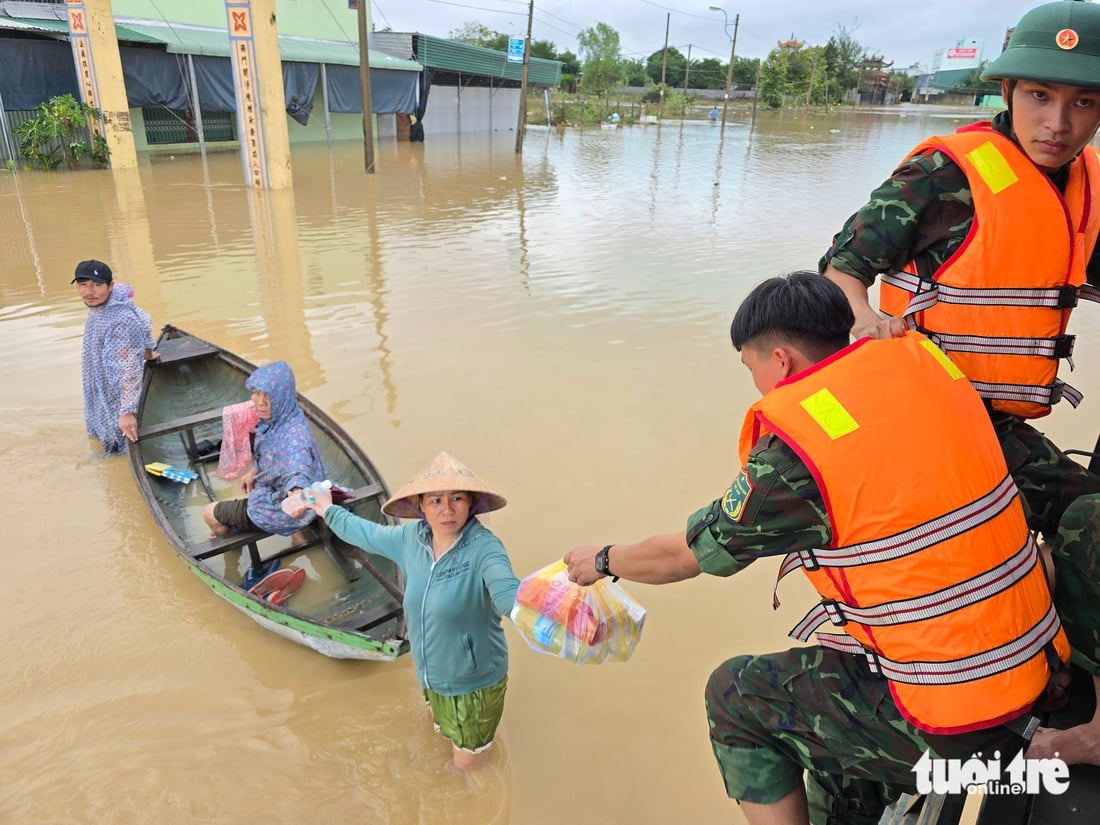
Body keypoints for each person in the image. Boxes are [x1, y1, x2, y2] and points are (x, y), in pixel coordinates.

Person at [564, 272, 1069, 825]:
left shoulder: (796, 458)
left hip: (958, 723)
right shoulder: (924, 371)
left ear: (780, 360)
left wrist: (602, 560)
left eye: (751, 367)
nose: (756, 383)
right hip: (1039, 668)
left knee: (736, 696)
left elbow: (684, 556)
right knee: (829, 678)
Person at [818, 0, 1100, 766]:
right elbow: (841, 268)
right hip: (937, 422)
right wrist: (865, 318)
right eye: (1039, 96)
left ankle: (1050, 655)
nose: (1058, 123)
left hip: (1001, 421)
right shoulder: (946, 174)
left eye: (1083, 103)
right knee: (1090, 522)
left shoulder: (1084, 184)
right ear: (1007, 92)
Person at [297, 451, 520, 771]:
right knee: (437, 730)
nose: (447, 509)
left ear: (471, 503)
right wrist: (326, 509)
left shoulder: (485, 548)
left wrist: (538, 608)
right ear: (421, 507)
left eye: (457, 498)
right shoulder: (411, 539)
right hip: (430, 673)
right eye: (436, 500)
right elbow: (364, 532)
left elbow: (508, 593)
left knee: (467, 770)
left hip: (474, 684)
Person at [202, 360, 325, 544]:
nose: (260, 402)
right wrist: (254, 471)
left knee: (209, 513)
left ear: (281, 396)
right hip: (306, 498)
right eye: (256, 393)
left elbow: (296, 467)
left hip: (286, 508)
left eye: (268, 396)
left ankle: (226, 536)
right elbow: (276, 458)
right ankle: (299, 534)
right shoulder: (288, 414)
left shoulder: (295, 439)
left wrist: (296, 493)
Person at [74, 259, 157, 454]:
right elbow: (144, 319)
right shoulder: (102, 304)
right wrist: (148, 351)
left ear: (110, 286)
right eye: (83, 285)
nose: (88, 291)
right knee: (101, 419)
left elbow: (129, 369)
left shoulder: (121, 320)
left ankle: (117, 456)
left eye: (96, 285)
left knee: (117, 435)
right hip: (98, 374)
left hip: (113, 384)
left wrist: (127, 412)